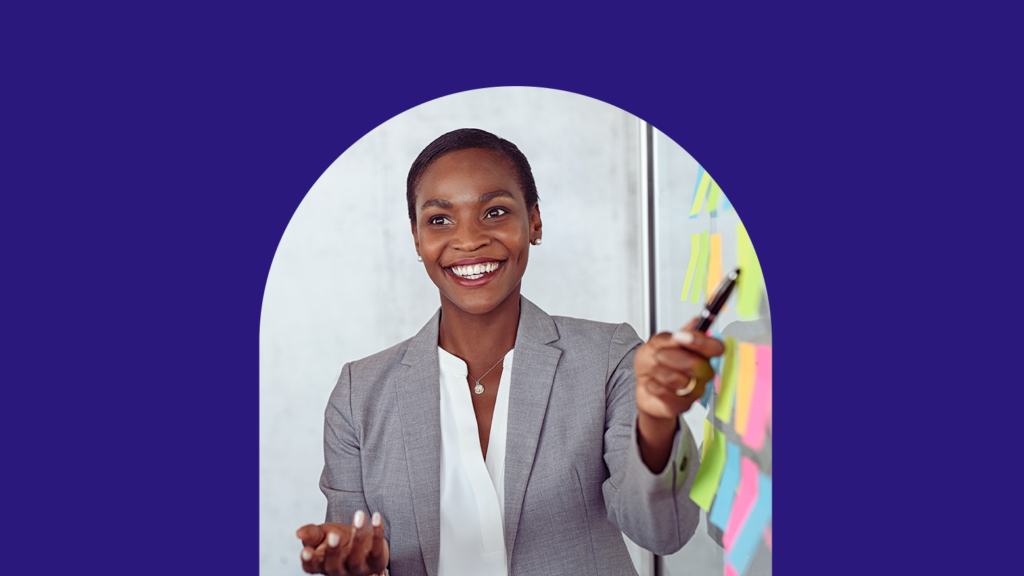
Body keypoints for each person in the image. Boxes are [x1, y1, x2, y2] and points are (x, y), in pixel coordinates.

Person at [295, 128, 725, 576]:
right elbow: (346, 544)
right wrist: (357, 565)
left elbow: (663, 534)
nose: (468, 240)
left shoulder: (608, 358)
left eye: (494, 212)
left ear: (534, 222)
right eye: (440, 220)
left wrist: (657, 421)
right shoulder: (357, 394)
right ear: (417, 238)